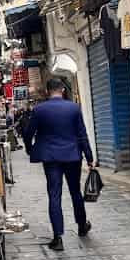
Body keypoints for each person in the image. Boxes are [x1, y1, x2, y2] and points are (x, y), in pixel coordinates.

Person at [24, 78, 95, 251]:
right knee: (75, 191)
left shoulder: (39, 110)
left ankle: (58, 237)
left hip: (51, 158)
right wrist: (90, 157)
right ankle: (81, 225)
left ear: (48, 91)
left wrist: (30, 149)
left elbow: (28, 132)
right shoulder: (73, 108)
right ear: (62, 90)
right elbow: (82, 134)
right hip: (72, 156)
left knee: (54, 194)